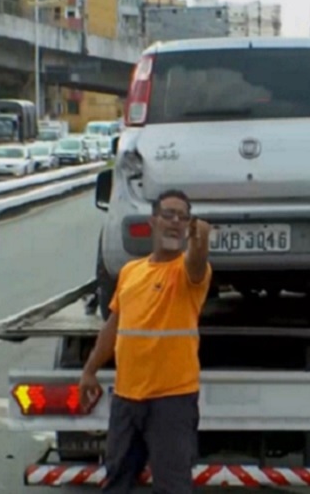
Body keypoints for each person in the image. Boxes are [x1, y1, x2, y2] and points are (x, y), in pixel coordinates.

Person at [78, 189, 212, 494]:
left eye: (183, 217)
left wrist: (200, 239)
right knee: (117, 481)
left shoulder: (188, 273)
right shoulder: (130, 272)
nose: (175, 222)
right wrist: (89, 370)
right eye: (168, 214)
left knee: (173, 486)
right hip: (127, 399)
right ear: (153, 221)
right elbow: (113, 327)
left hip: (172, 402)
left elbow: (197, 261)